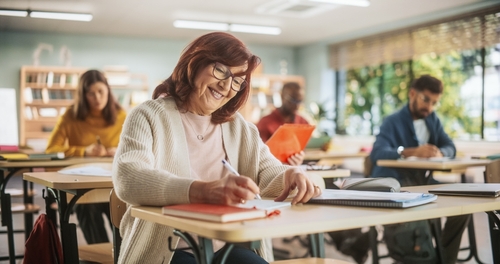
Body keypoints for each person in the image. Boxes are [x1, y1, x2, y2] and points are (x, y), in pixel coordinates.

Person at [112, 32, 322, 264]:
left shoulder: (240, 128)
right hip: (168, 249)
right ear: (195, 63)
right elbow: (128, 179)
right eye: (221, 70)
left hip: (224, 247)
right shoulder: (147, 115)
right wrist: (200, 191)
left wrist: (291, 175)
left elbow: (268, 175)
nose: (226, 85)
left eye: (237, 80)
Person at [370, 74, 470, 263]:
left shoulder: (432, 120)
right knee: (420, 207)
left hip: (421, 182)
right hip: (396, 181)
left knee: (463, 205)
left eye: (434, 102)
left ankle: (444, 260)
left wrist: (440, 152)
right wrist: (411, 151)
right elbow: (377, 153)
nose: (429, 107)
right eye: (426, 99)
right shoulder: (392, 121)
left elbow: (450, 146)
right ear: (412, 94)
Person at [46, 69, 126, 244]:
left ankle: (124, 255)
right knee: (85, 206)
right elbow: (51, 149)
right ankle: (103, 258)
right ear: (83, 95)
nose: (97, 98)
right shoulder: (71, 116)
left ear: (108, 91)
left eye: (101, 92)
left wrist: (119, 150)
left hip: (111, 183)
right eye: (91, 93)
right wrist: (83, 151)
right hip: (81, 183)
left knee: (124, 206)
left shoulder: (122, 115)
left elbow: (135, 148)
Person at [256, 82, 309, 165]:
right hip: (271, 169)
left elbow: (302, 150)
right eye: (293, 100)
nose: (297, 106)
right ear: (282, 97)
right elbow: (258, 154)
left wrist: (299, 158)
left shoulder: (303, 123)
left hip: (295, 168)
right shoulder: (265, 123)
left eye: (300, 101)